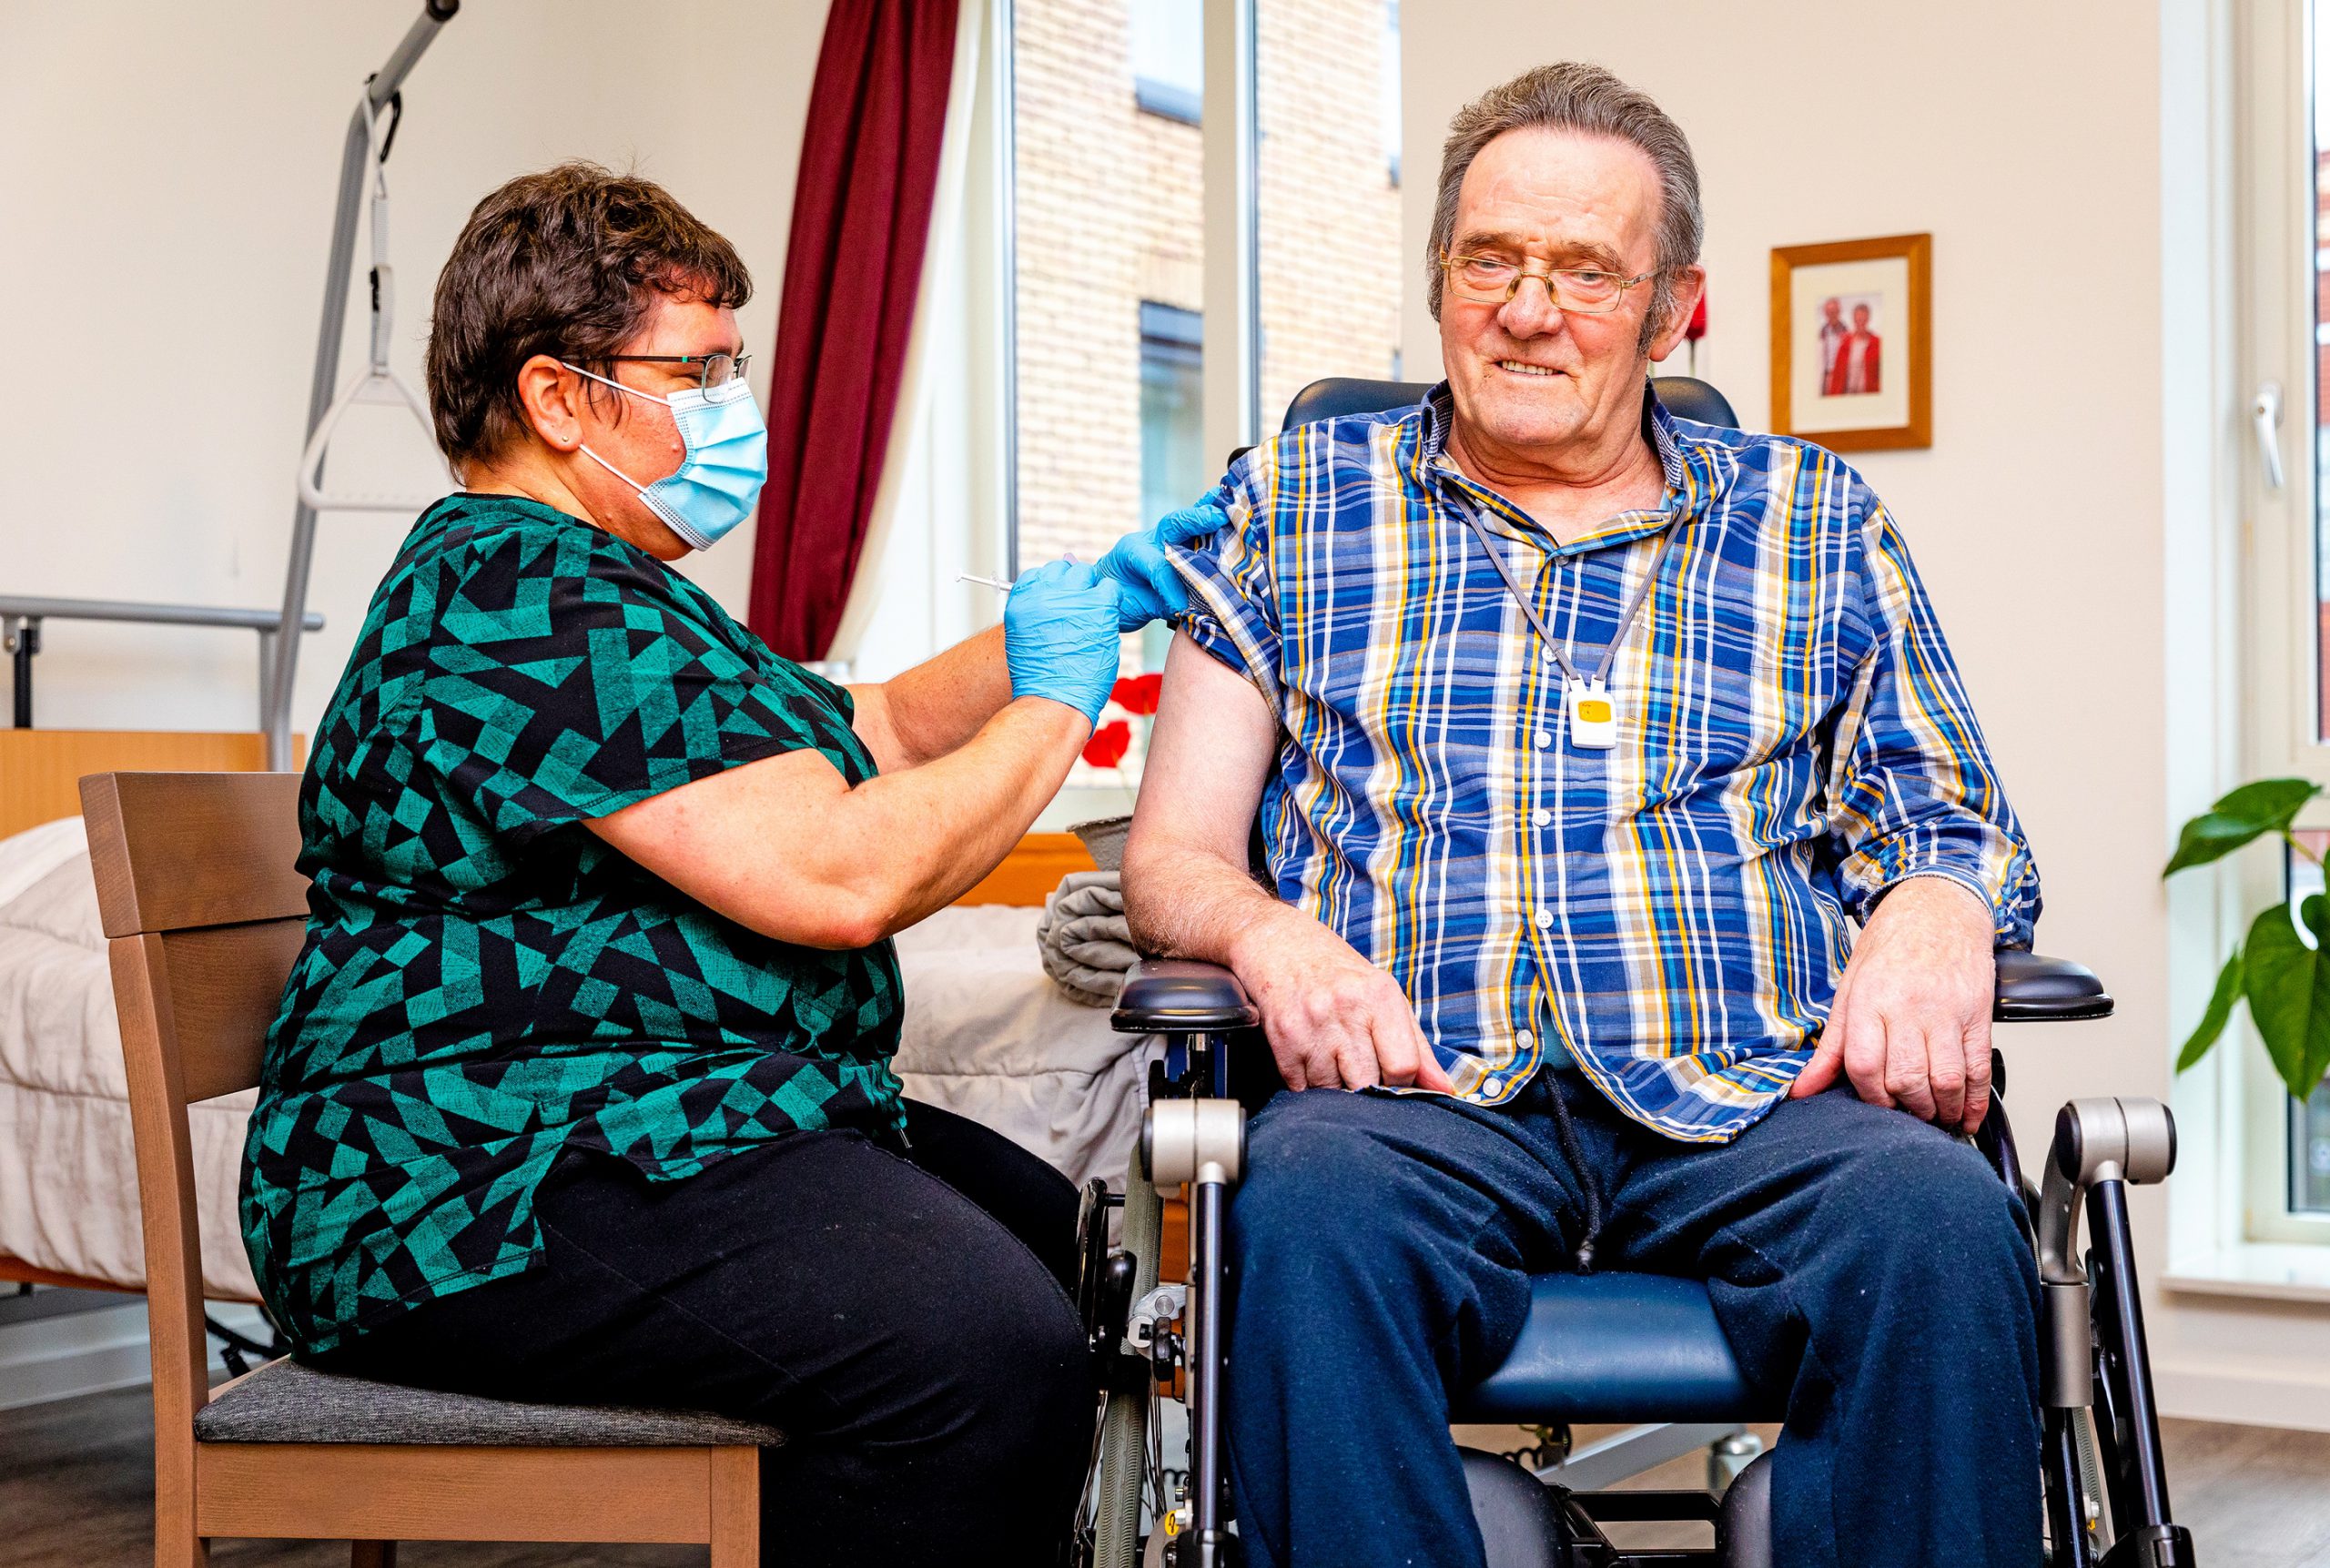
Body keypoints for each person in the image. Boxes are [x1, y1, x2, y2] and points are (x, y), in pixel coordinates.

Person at [1123, 63, 2042, 1568]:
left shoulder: (1813, 516)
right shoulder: (1292, 499)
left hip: (1755, 1089)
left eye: (1584, 269)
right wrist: (1272, 940)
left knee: (1939, 1223)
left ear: (1678, 306)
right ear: (1438, 278)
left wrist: (1939, 911)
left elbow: (1949, 806)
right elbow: (1171, 855)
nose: (1526, 308)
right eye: (1489, 259)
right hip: (1411, 1087)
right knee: (1302, 1210)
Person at [241, 163, 1210, 1568]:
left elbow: (857, 726)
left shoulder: (606, 586)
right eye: (695, 372)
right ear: (559, 397)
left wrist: (1070, 622)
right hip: (464, 1179)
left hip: (620, 1119)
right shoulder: (514, 590)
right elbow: (835, 876)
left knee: (1053, 1236)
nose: (731, 410)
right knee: (978, 1353)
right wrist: (1059, 708)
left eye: (732, 368)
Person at [1826, 298, 1881, 394]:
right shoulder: (1845, 343)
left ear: (1868, 319)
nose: (1861, 321)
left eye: (1864, 318)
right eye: (1858, 318)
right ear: (1854, 319)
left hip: (1869, 396)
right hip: (1848, 395)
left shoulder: (1877, 343)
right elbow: (1837, 375)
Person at [1815, 294, 1849, 385]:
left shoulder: (1847, 332)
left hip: (1842, 376)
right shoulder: (1821, 332)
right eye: (1829, 312)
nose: (1832, 315)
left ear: (1839, 312)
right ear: (1825, 313)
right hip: (1826, 376)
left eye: (1834, 312)